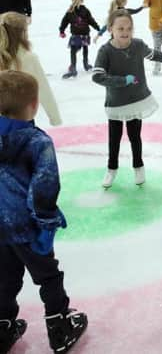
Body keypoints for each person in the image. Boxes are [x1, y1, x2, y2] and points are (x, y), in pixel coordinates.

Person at [0, 71, 87, 354]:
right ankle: (59, 325)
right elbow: (44, 187)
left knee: (5, 276)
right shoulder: (37, 142)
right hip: (26, 227)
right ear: (34, 105)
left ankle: (2, 325)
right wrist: (46, 225)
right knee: (48, 275)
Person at [92, 9, 162, 189]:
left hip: (136, 99)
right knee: (114, 138)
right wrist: (121, 81)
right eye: (120, 29)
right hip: (116, 103)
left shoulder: (138, 45)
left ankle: (139, 167)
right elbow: (97, 76)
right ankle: (111, 170)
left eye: (128, 28)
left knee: (135, 136)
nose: (125, 32)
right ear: (111, 29)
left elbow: (155, 55)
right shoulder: (105, 51)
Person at [0, 12, 62, 126]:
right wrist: (55, 118)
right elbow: (43, 88)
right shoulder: (28, 58)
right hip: (21, 118)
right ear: (22, 33)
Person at [59, 0, 101, 79]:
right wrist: (98, 28)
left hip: (76, 35)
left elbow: (64, 22)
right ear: (82, 0)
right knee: (85, 49)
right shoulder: (85, 10)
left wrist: (62, 31)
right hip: (85, 35)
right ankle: (86, 64)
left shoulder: (70, 11)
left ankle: (73, 67)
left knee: (73, 51)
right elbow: (91, 21)